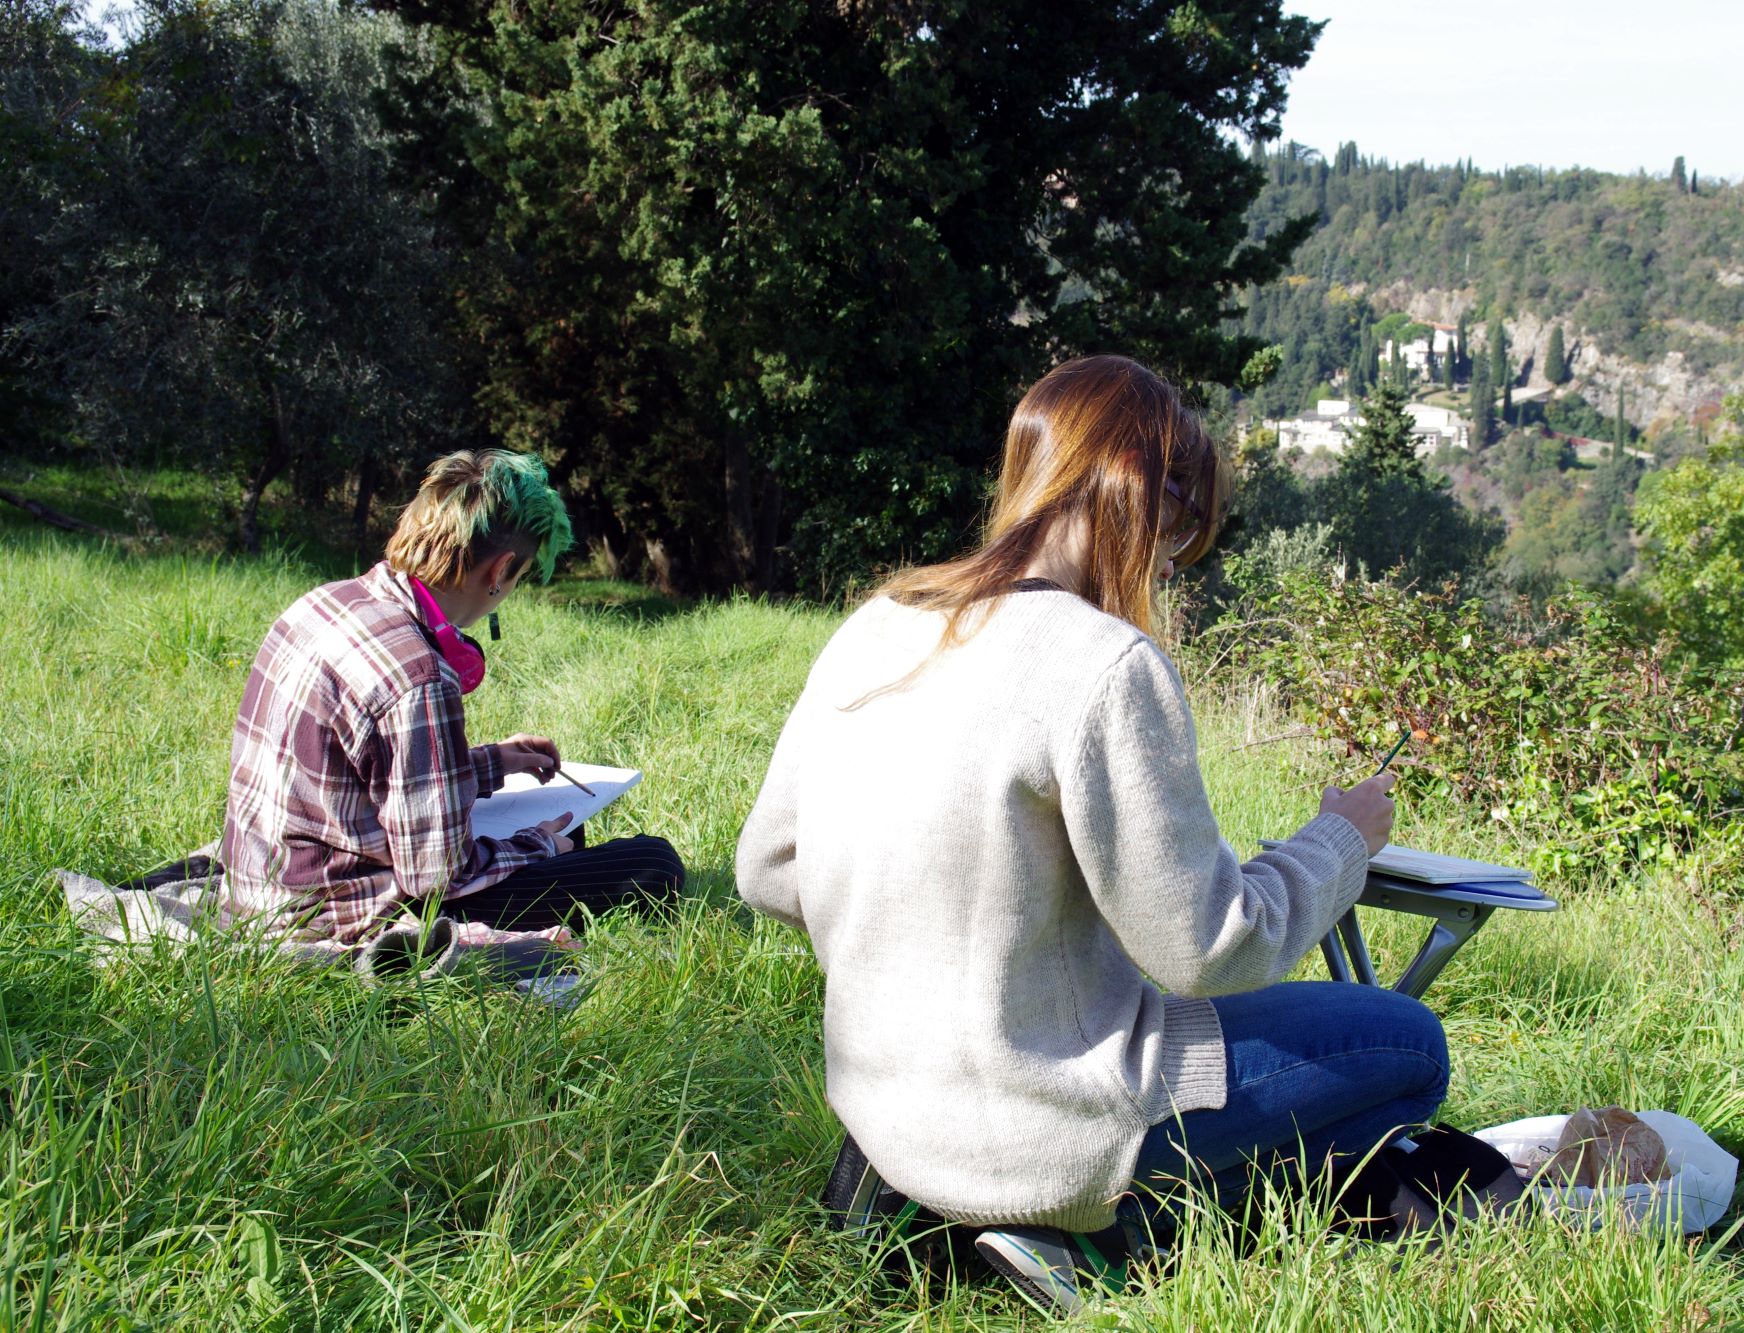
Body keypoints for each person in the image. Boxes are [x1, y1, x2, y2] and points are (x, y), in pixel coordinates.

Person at [735, 356, 1450, 1310]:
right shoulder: (1105, 662)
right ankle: (1099, 1232)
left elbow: (764, 870)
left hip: (882, 1109)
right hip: (1049, 1122)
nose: (1167, 563)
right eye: (1180, 530)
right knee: (1409, 1046)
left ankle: (954, 1220)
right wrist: (1339, 840)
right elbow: (1208, 948)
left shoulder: (877, 624)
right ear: (1143, 497)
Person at [221, 448, 682, 945]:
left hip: (264, 887)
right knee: (652, 864)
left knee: (573, 834)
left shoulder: (323, 602)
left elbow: (369, 770)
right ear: (500, 570)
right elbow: (436, 877)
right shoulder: (419, 676)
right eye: (520, 577)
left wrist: (493, 763)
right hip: (338, 914)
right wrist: (538, 845)